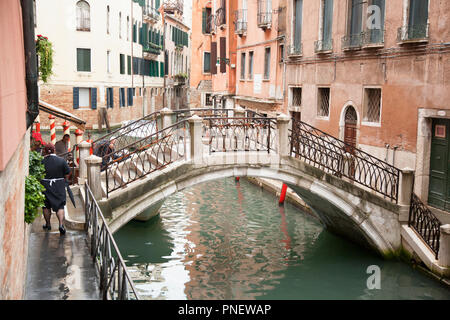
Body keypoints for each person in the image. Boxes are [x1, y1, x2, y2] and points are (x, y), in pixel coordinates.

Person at [40, 143, 70, 235]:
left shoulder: (42, 161)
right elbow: (67, 172)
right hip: (59, 185)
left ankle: (48, 224)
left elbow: (39, 174)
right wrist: (65, 181)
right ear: (54, 150)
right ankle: (61, 225)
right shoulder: (61, 160)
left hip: (45, 185)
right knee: (60, 206)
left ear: (45, 151)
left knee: (46, 206)